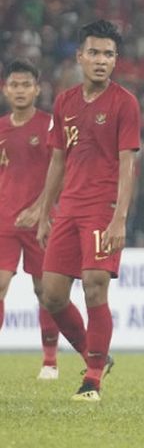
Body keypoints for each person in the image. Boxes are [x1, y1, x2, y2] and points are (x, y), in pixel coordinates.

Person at [37, 20, 141, 402]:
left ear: (116, 60)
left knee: (95, 287)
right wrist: (46, 210)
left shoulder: (124, 102)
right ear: (80, 56)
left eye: (108, 54)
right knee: (51, 295)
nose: (101, 60)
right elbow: (58, 160)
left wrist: (119, 218)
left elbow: (128, 162)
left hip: (103, 207)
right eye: (94, 52)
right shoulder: (64, 101)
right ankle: (94, 354)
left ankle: (92, 378)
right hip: (69, 209)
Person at [0, 59, 60, 380]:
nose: (20, 90)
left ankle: (50, 360)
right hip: (4, 220)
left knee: (45, 291)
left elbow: (61, 171)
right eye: (15, 85)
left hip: (42, 221)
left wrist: (40, 208)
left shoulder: (51, 126)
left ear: (37, 89)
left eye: (27, 85)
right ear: (5, 89)